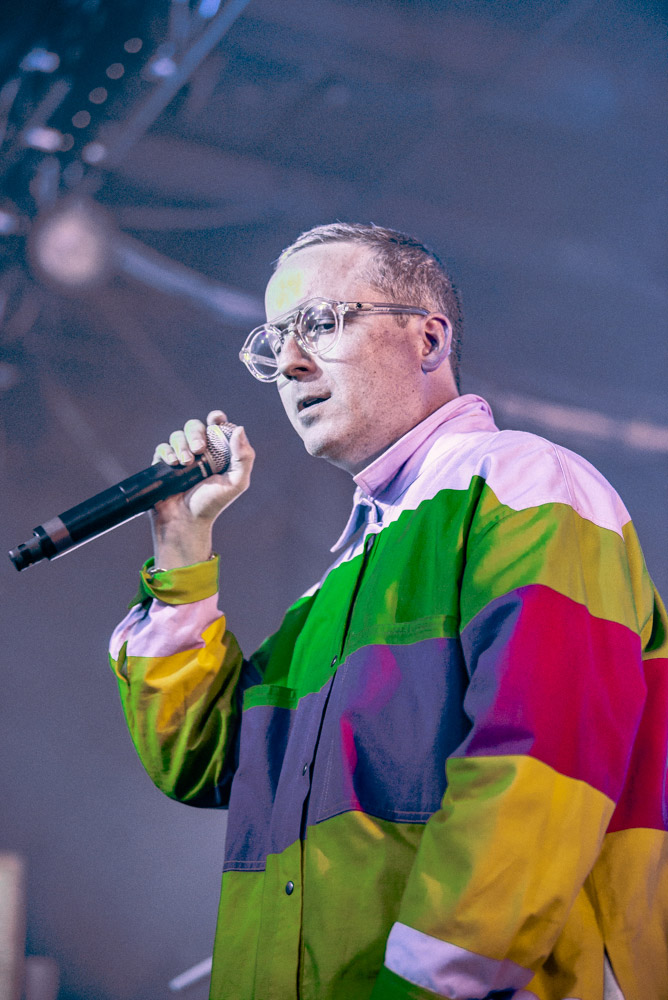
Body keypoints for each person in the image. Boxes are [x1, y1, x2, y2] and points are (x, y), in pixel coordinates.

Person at [109, 223, 667, 1000]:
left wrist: (430, 985)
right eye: (276, 341)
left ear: (428, 338)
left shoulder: (526, 486)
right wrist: (180, 544)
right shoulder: (336, 590)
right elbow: (202, 759)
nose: (292, 362)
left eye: (322, 324)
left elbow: (538, 769)